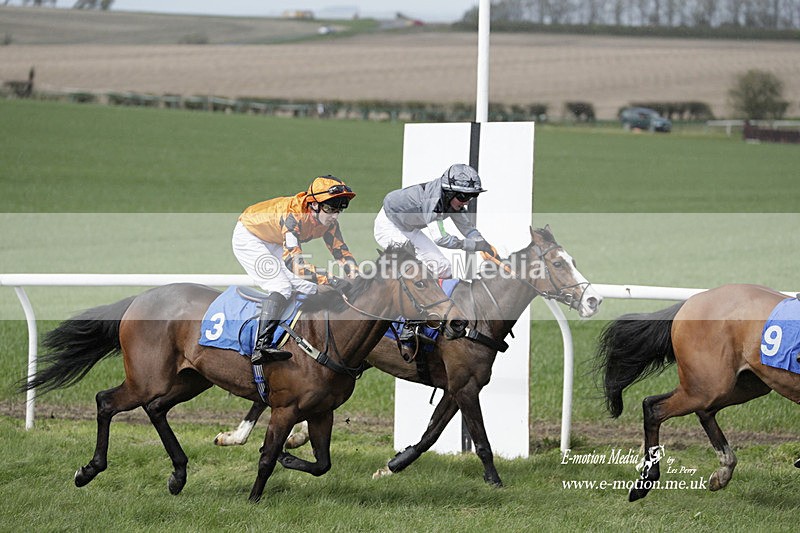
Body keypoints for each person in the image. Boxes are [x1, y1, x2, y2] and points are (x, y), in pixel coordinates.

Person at [232, 175, 357, 365]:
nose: (334, 215)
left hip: (273, 239)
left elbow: (340, 251)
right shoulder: (293, 217)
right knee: (281, 286)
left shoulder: (329, 222)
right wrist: (330, 279)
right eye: (330, 209)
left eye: (339, 210)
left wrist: (356, 276)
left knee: (309, 287)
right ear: (313, 204)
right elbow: (295, 264)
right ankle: (261, 346)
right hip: (250, 236)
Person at [374, 163, 495, 280]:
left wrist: (484, 244)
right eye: (463, 197)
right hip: (389, 226)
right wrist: (472, 245)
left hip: (407, 228)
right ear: (449, 193)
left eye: (472, 196)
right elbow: (441, 238)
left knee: (443, 268)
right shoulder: (435, 203)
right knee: (419, 270)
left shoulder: (450, 199)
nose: (467, 202)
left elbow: (467, 228)